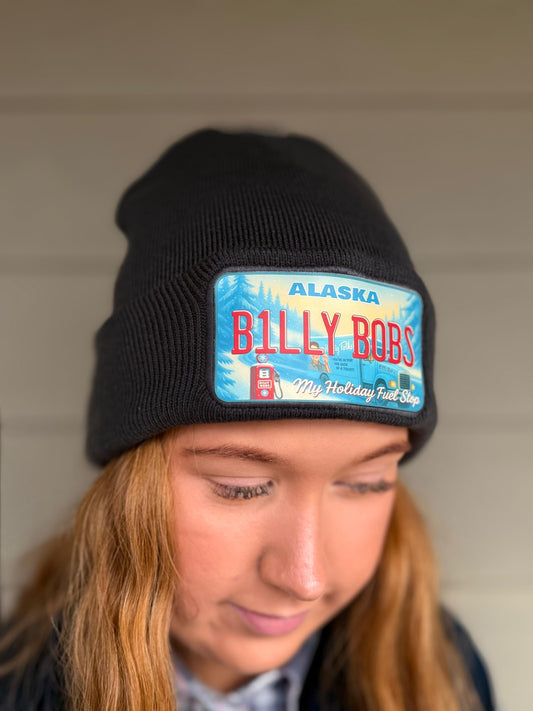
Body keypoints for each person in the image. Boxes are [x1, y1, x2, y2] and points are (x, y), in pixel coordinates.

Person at [0, 129, 496, 710]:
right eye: (241, 487)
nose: (304, 578)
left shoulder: (439, 675)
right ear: (127, 485)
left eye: (366, 483)